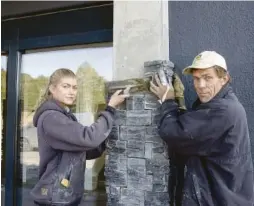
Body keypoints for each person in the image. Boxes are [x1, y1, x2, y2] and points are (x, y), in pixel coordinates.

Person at [150, 51, 254, 206]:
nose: (200, 85)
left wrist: (168, 101)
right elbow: (195, 130)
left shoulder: (223, 110)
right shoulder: (218, 105)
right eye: (196, 78)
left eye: (207, 78)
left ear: (224, 79)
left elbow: (174, 133)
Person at [30, 68, 128, 206]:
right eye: (66, 86)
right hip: (55, 196)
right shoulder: (51, 118)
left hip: (63, 194)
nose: (71, 92)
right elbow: (87, 138)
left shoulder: (64, 116)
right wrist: (110, 109)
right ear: (52, 88)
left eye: (75, 88)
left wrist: (105, 141)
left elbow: (83, 149)